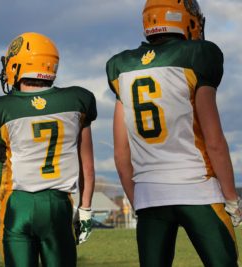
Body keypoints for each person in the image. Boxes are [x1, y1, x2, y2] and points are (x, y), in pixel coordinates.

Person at [106, 0, 241, 266]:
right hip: (198, 189)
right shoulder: (198, 56)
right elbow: (213, 141)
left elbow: (122, 154)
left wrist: (139, 200)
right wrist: (231, 197)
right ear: (185, 19)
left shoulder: (122, 66)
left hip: (149, 195)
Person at [0, 32, 97, 267]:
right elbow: (88, 166)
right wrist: (85, 209)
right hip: (57, 204)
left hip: (18, 205)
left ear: (17, 65)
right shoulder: (76, 101)